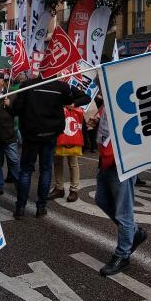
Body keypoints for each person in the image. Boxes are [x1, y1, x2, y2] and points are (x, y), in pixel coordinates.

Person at [12, 76, 90, 218]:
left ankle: (20, 208)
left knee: (26, 171)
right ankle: (41, 207)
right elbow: (80, 98)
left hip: (32, 135)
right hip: (50, 134)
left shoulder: (28, 85)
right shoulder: (61, 87)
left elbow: (16, 109)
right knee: (46, 169)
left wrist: (11, 104)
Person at [95, 107, 147, 276]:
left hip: (122, 162)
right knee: (101, 199)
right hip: (107, 159)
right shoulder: (108, 99)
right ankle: (134, 232)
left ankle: (122, 256)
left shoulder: (125, 95)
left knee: (124, 213)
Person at [0, 90, 20, 198]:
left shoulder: (11, 95)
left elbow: (18, 112)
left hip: (8, 137)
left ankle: (19, 187)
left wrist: (9, 105)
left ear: (2, 81)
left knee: (14, 162)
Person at [49, 104, 84, 202]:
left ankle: (74, 190)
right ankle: (59, 188)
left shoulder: (72, 89)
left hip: (70, 130)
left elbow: (86, 98)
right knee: (57, 162)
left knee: (73, 163)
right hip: (57, 128)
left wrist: (74, 104)